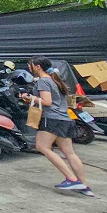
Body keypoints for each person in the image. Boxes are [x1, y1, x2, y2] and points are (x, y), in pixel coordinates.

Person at [24, 56, 94, 197]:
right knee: (70, 153)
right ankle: (83, 185)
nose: (29, 68)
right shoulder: (55, 79)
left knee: (42, 147)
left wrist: (30, 98)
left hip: (51, 119)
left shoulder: (43, 81)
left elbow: (47, 102)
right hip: (65, 119)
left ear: (38, 67)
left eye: (30, 65)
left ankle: (71, 179)